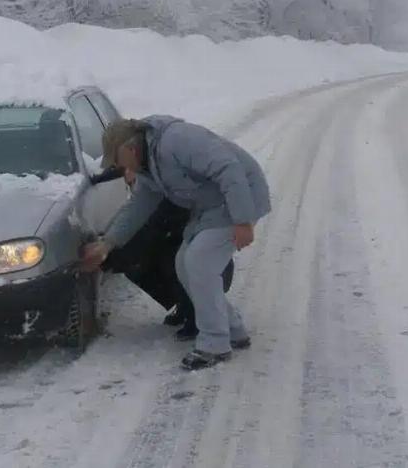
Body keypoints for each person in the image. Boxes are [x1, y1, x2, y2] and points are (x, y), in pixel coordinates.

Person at [81, 116, 271, 370]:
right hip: (211, 207)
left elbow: (228, 168)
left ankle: (214, 343)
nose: (116, 166)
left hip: (240, 196)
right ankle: (232, 328)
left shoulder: (177, 141)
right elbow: (138, 206)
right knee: (184, 264)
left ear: (130, 148)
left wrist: (243, 220)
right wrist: (108, 243)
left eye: (116, 159)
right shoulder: (149, 167)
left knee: (200, 262)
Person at [89, 165, 234, 339]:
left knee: (167, 262)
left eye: (128, 169)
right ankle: (184, 306)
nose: (126, 176)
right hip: (176, 238)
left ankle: (197, 317)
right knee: (152, 259)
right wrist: (94, 178)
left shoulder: (160, 193)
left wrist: (105, 257)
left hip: (201, 255)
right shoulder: (146, 170)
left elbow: (141, 232)